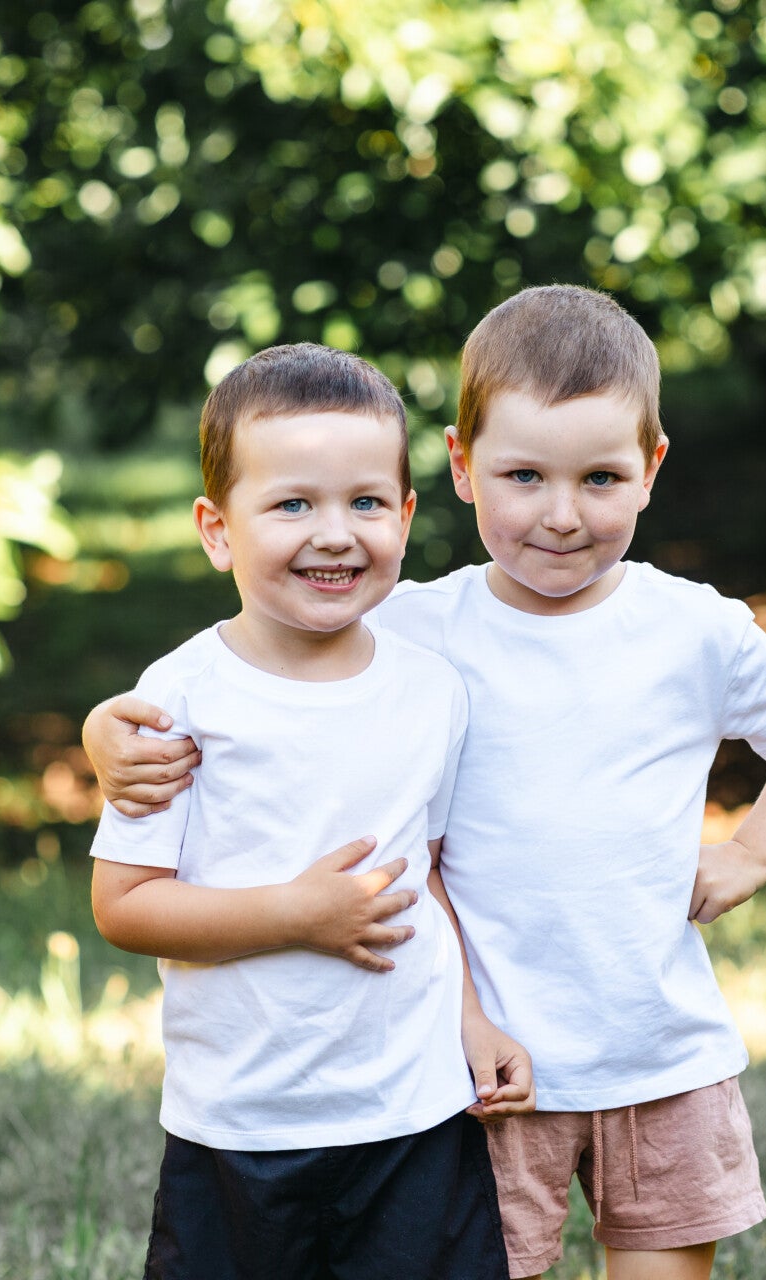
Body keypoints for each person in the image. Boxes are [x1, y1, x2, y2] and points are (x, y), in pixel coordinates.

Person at [87, 288, 766, 1280]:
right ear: (461, 466)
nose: (561, 514)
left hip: (660, 1045)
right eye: (523, 475)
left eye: (600, 477)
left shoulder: (688, 627)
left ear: (651, 468)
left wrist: (754, 849)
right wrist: (105, 730)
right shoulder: (411, 625)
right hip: (479, 1066)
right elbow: (264, 661)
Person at [86, 342, 530, 1280]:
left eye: (366, 502)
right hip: (244, 1121)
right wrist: (294, 914)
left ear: (406, 517)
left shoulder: (432, 690)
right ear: (217, 530)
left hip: (414, 1113)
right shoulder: (179, 700)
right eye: (292, 504)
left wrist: (471, 1022)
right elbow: (124, 906)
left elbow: (425, 879)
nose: (335, 533)